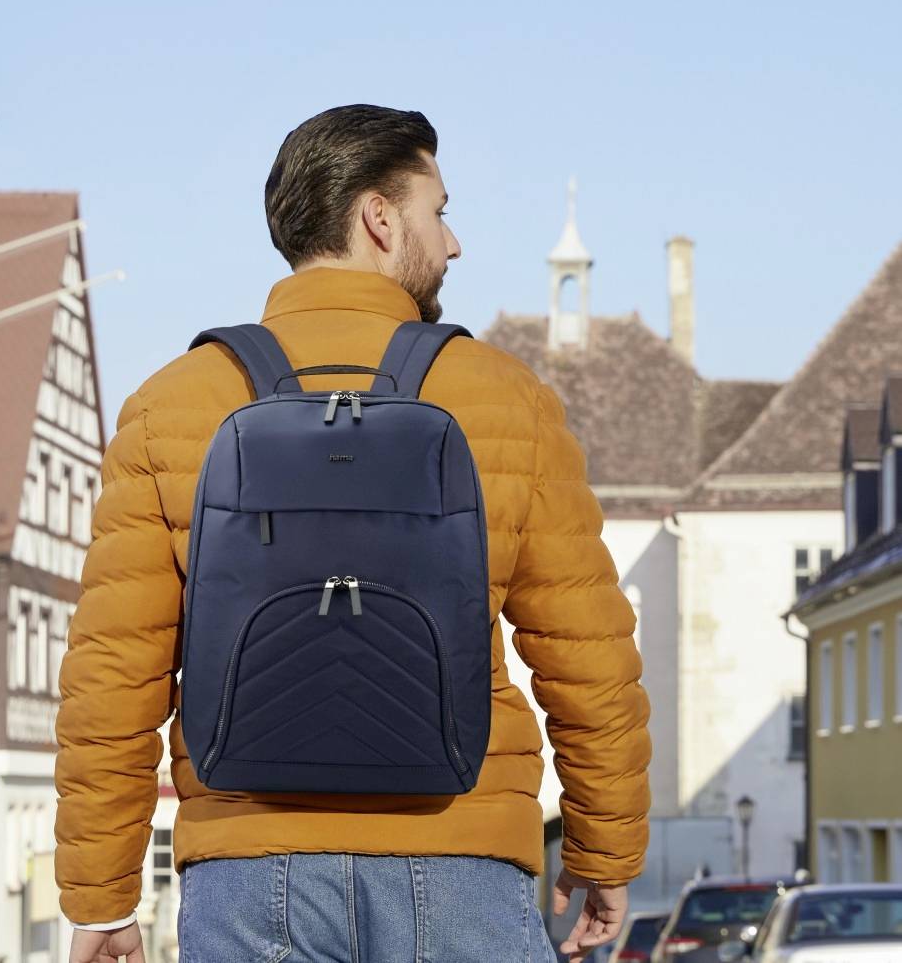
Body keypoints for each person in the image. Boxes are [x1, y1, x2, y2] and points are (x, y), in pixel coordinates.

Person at [55, 104, 652, 963]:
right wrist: (603, 847)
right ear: (379, 218)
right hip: (462, 853)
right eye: (438, 211)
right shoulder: (504, 397)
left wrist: (103, 896)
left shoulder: (173, 403)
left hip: (247, 872)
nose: (452, 243)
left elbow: (114, 674)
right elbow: (587, 654)